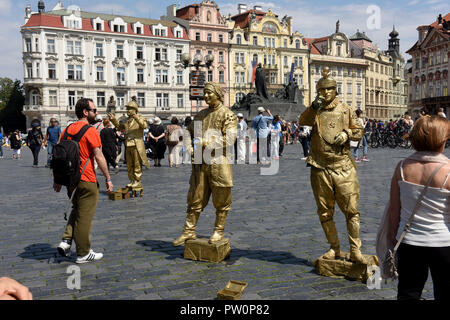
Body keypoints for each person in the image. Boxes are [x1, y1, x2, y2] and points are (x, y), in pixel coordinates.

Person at [376, 116, 450, 300]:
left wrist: (393, 239)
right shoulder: (448, 170)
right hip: (443, 243)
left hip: (409, 242)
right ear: (441, 140)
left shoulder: (402, 167)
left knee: (408, 293)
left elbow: (395, 211)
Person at [298, 66, 366, 264]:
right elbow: (303, 120)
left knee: (351, 210)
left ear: (336, 90)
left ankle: (355, 250)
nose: (326, 93)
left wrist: (347, 134)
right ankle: (334, 247)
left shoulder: (346, 110)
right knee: (325, 211)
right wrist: (313, 106)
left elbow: (359, 130)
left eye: (329, 89)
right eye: (322, 90)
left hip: (343, 166)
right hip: (320, 166)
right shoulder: (316, 111)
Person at [173, 82, 237, 246]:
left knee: (221, 198)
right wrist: (189, 147)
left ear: (218, 94)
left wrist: (205, 141)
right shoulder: (200, 114)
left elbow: (230, 138)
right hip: (200, 163)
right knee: (195, 197)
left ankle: (218, 230)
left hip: (219, 162)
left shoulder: (227, 114)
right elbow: (188, 131)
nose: (206, 96)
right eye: (205, 93)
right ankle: (188, 231)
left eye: (209, 93)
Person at [54, 98, 113, 264]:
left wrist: (57, 179)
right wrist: (108, 178)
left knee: (77, 209)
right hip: (86, 178)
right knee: (85, 217)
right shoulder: (90, 130)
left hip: (69, 180)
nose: (97, 113)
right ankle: (83, 253)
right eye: (94, 110)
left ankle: (66, 241)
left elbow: (57, 156)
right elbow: (99, 157)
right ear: (85, 112)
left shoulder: (66, 130)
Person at [109, 98, 150, 189]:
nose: (128, 111)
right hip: (128, 144)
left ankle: (137, 181)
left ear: (135, 110)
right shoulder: (126, 120)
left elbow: (144, 126)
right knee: (129, 164)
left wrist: (136, 118)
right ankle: (132, 180)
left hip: (136, 144)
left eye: (130, 109)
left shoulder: (140, 117)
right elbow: (120, 127)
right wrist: (113, 120)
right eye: (127, 109)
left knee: (136, 164)